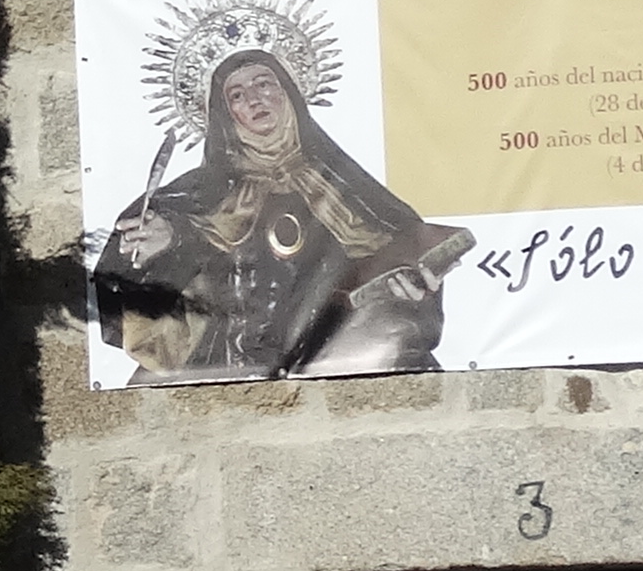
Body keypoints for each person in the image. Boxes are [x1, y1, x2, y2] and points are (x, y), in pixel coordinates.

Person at [94, 48, 470, 380]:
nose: (255, 99)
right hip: (219, 374)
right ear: (227, 116)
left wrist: (413, 285)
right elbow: (124, 288)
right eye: (237, 95)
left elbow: (404, 251)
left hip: (334, 372)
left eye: (264, 84)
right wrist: (164, 247)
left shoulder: (349, 190)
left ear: (288, 94)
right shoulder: (191, 200)